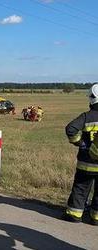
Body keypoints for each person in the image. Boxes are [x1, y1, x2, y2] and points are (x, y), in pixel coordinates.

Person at [63, 84, 98, 225]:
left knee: (81, 188)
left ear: (91, 98)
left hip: (86, 163)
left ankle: (74, 215)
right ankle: (96, 218)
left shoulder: (87, 116)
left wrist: (80, 143)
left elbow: (70, 128)